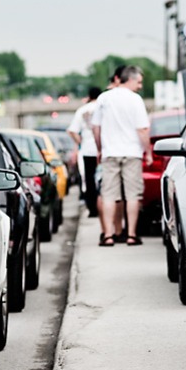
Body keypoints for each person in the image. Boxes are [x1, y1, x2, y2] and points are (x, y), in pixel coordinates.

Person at [91, 65, 151, 247]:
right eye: (139, 82)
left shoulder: (104, 98)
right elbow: (142, 129)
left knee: (109, 195)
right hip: (132, 153)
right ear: (130, 79)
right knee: (133, 195)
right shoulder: (135, 100)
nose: (140, 86)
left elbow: (96, 128)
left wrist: (100, 148)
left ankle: (108, 235)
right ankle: (131, 235)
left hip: (110, 153)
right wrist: (147, 151)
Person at [67, 86, 102, 218]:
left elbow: (71, 131)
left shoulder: (82, 110)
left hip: (88, 150)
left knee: (89, 179)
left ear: (89, 96)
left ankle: (92, 208)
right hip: (104, 149)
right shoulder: (103, 108)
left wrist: (80, 141)